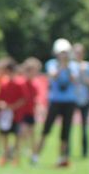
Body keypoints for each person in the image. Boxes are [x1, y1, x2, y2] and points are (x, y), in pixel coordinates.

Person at [32, 38, 80, 167]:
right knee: (46, 129)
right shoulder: (52, 63)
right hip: (55, 101)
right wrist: (61, 66)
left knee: (65, 132)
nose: (63, 55)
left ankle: (61, 158)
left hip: (69, 102)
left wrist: (68, 66)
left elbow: (74, 80)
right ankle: (35, 156)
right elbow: (53, 76)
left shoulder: (73, 65)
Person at [0, 59, 27, 165]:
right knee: (5, 136)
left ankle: (16, 158)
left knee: (17, 136)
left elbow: (23, 99)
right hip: (5, 116)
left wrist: (12, 107)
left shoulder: (19, 83)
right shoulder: (4, 84)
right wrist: (2, 105)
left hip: (16, 115)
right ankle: (5, 156)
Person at [73, 43, 89, 158]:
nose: (77, 55)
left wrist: (83, 74)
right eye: (76, 52)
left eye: (79, 53)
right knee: (68, 126)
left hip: (85, 99)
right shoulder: (70, 66)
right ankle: (66, 151)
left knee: (84, 127)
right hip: (72, 99)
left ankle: (84, 152)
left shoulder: (88, 66)